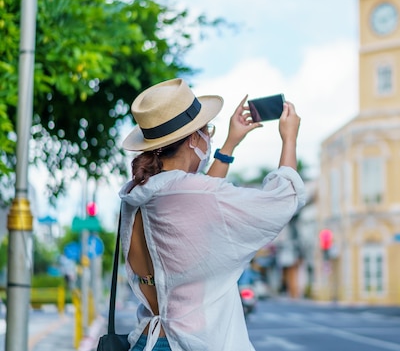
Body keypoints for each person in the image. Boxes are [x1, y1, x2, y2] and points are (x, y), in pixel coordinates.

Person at [118, 78, 306, 351]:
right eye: (208, 131)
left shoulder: (135, 196)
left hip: (145, 339)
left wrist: (229, 144)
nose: (210, 137)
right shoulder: (192, 194)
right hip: (191, 343)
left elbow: (195, 203)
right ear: (194, 138)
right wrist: (289, 139)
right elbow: (285, 197)